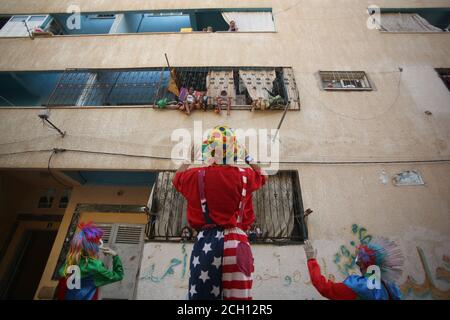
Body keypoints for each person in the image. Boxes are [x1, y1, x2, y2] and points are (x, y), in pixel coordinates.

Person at [173, 125, 267, 300]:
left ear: (208, 151)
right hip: (237, 242)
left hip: (206, 242)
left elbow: (176, 179)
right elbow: (263, 175)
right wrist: (248, 156)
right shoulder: (245, 175)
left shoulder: (195, 175)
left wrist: (188, 159)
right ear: (234, 151)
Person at [303, 238, 404, 300]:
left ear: (364, 265)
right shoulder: (390, 287)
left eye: (359, 264)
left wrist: (311, 260)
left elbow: (324, 288)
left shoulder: (358, 287)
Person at [57, 222, 124, 300]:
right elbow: (118, 276)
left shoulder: (70, 261)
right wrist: (115, 256)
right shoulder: (95, 266)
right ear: (93, 246)